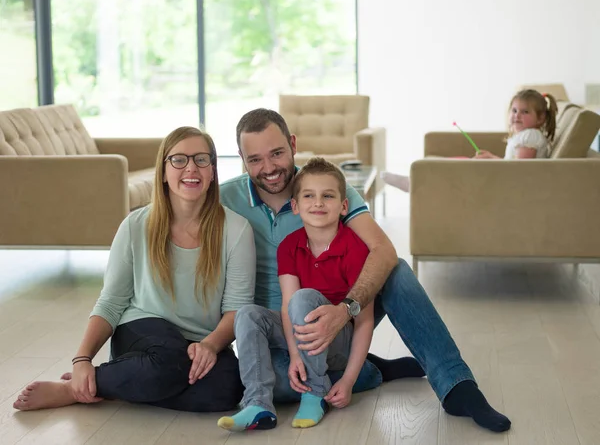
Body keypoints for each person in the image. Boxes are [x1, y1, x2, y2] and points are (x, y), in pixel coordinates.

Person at [220, 109, 511, 433]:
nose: (270, 168)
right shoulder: (225, 199)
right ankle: (366, 371)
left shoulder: (327, 189)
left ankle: (457, 386)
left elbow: (383, 251)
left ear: (292, 144)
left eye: (277, 153)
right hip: (281, 337)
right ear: (242, 160)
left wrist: (345, 311)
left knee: (395, 270)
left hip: (339, 316)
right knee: (264, 383)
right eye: (255, 159)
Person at [13, 126, 256, 413]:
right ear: (163, 171)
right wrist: (82, 360)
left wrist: (211, 346)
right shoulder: (135, 225)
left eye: (202, 159)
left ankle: (110, 387)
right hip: (142, 329)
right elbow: (111, 302)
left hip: (198, 341)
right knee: (169, 359)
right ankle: (74, 387)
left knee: (229, 387)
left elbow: (236, 308)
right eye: (179, 160)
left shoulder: (236, 229)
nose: (191, 167)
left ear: (212, 171)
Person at [218, 158, 424, 431]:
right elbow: (287, 307)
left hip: (340, 338)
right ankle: (257, 404)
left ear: (343, 206)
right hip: (303, 337)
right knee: (248, 315)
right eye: (308, 196)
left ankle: (316, 392)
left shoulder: (355, 248)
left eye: (327, 196)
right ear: (295, 206)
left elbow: (363, 321)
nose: (318, 203)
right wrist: (294, 357)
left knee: (305, 299)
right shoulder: (289, 246)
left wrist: (348, 381)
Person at [381, 89, 559, 192]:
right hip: (507, 179)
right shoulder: (525, 136)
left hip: (510, 185)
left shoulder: (531, 136)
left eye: (525, 112)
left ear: (541, 118)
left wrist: (492, 160)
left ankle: (415, 183)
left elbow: (520, 170)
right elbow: (513, 164)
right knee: (461, 163)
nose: (517, 116)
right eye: (514, 111)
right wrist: (491, 157)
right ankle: (417, 180)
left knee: (460, 169)